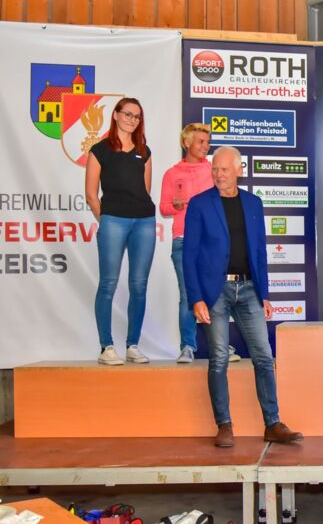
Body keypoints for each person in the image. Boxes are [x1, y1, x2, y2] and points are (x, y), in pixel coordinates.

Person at [183, 146, 302, 447]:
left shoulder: (253, 203)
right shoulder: (199, 204)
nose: (219, 174)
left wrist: (265, 293)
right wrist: (196, 298)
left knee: (264, 357)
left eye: (224, 169)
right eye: (215, 169)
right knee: (219, 359)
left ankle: (272, 424)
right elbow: (189, 255)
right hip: (215, 292)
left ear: (239, 170)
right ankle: (224, 425)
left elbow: (260, 251)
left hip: (249, 289)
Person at [160, 124, 241, 364]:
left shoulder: (214, 170)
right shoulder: (172, 173)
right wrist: (175, 205)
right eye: (201, 142)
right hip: (183, 240)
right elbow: (163, 207)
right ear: (187, 143)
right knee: (188, 295)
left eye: (208, 142)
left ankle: (221, 346)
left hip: (211, 243)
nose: (206, 147)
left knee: (218, 294)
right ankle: (187, 346)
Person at [85, 97, 155, 366]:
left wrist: (136, 215)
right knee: (108, 283)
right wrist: (107, 220)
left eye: (136, 116)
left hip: (144, 222)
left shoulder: (144, 151)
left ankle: (133, 345)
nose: (132, 120)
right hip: (113, 220)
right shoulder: (99, 150)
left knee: (139, 285)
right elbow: (91, 195)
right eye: (127, 114)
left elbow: (145, 190)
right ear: (115, 115)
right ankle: (106, 347)